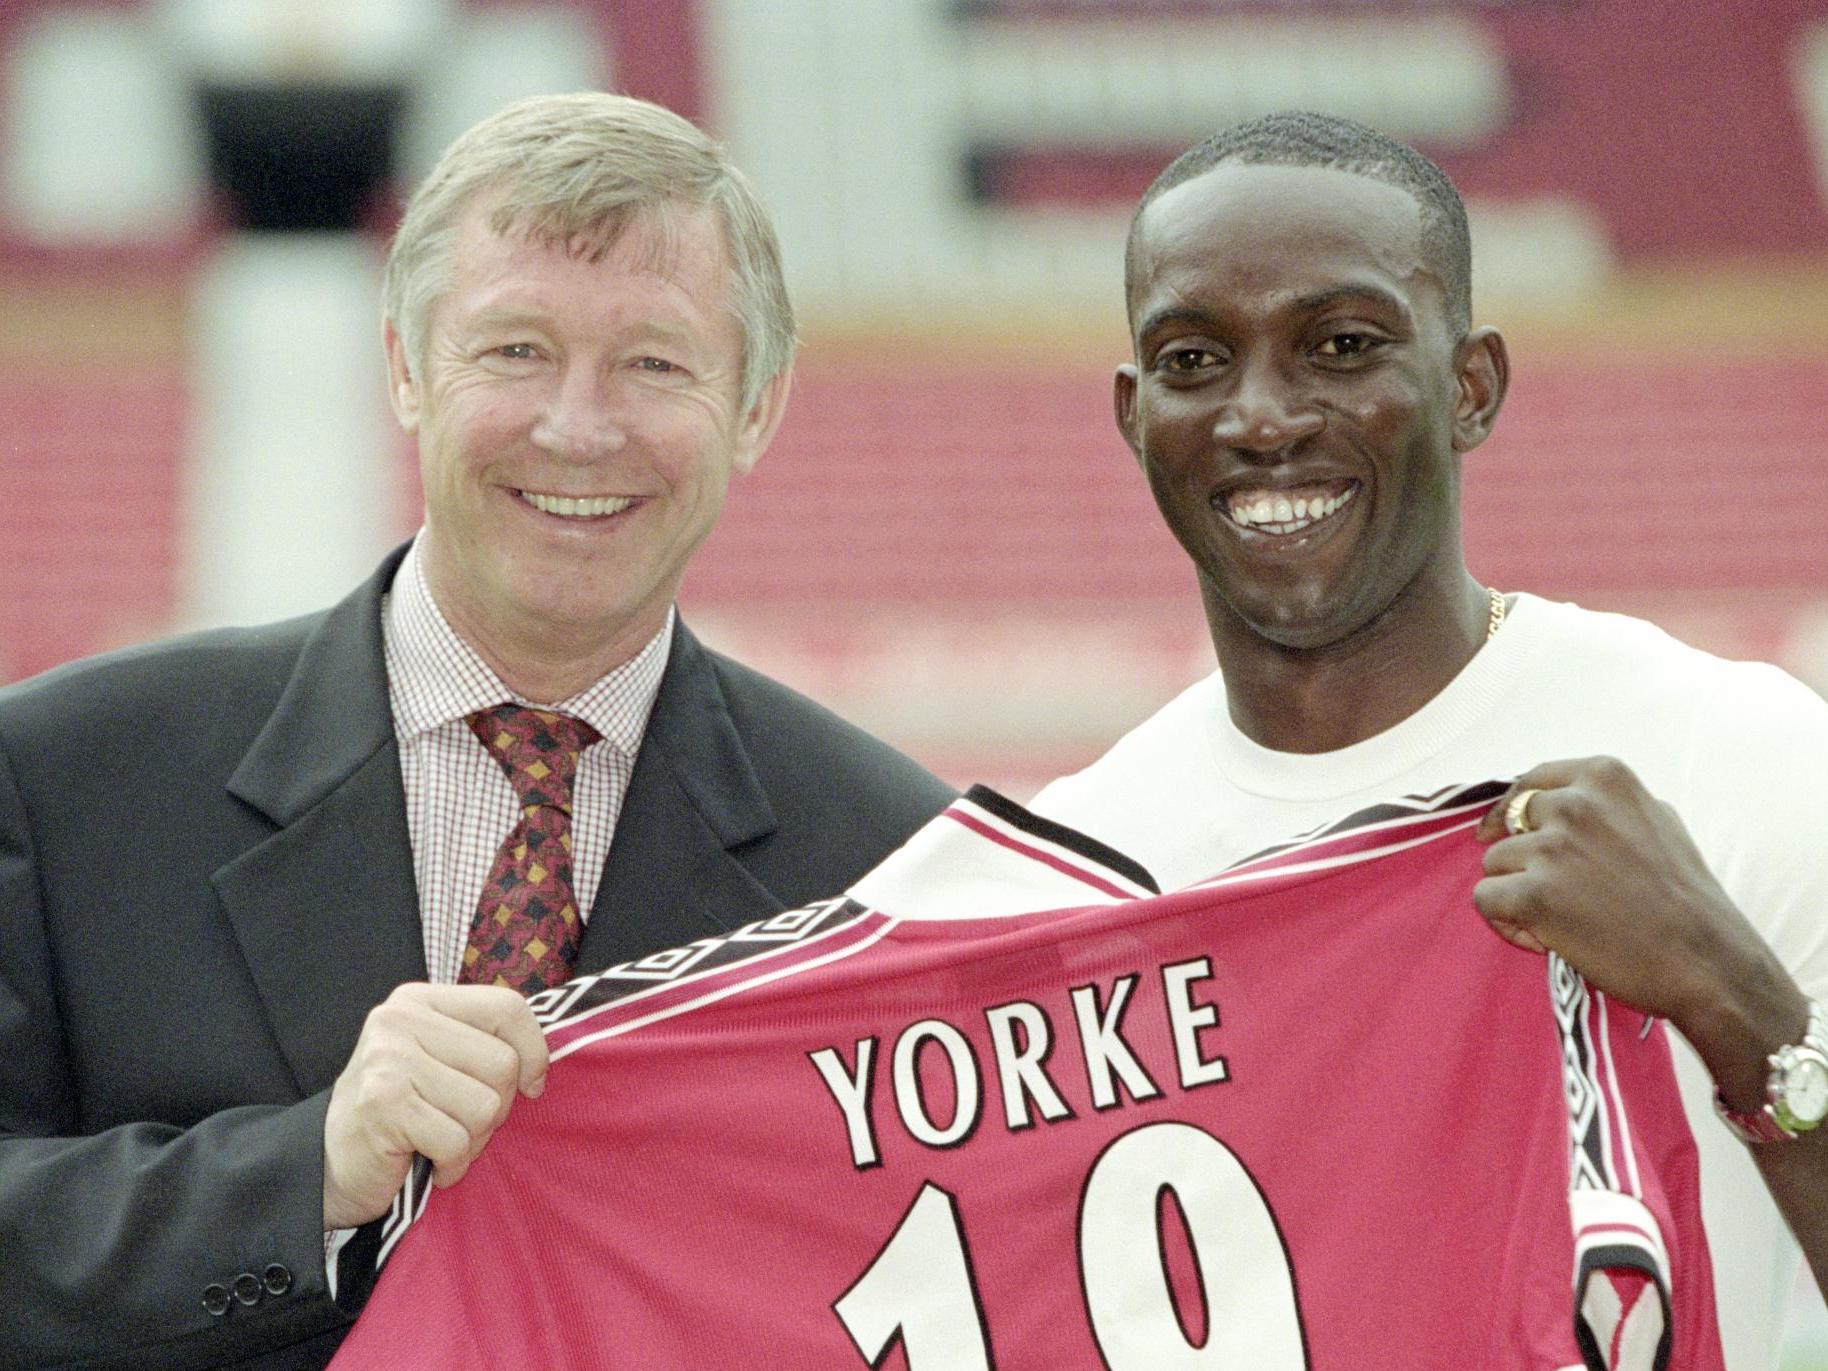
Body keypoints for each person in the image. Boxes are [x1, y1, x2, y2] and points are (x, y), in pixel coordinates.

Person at [0, 92, 953, 1370]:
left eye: (655, 363)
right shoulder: (67, 778)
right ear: (403, 366)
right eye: (512, 350)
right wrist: (304, 1176)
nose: (578, 425)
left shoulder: (897, 868)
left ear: (758, 409)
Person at [1028, 111, 1828, 1370]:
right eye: (1193, 360)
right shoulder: (1067, 878)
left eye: (1341, 346)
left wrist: (1737, 1006)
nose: (1262, 416)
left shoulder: (1740, 758)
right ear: (1134, 416)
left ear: (1470, 386)